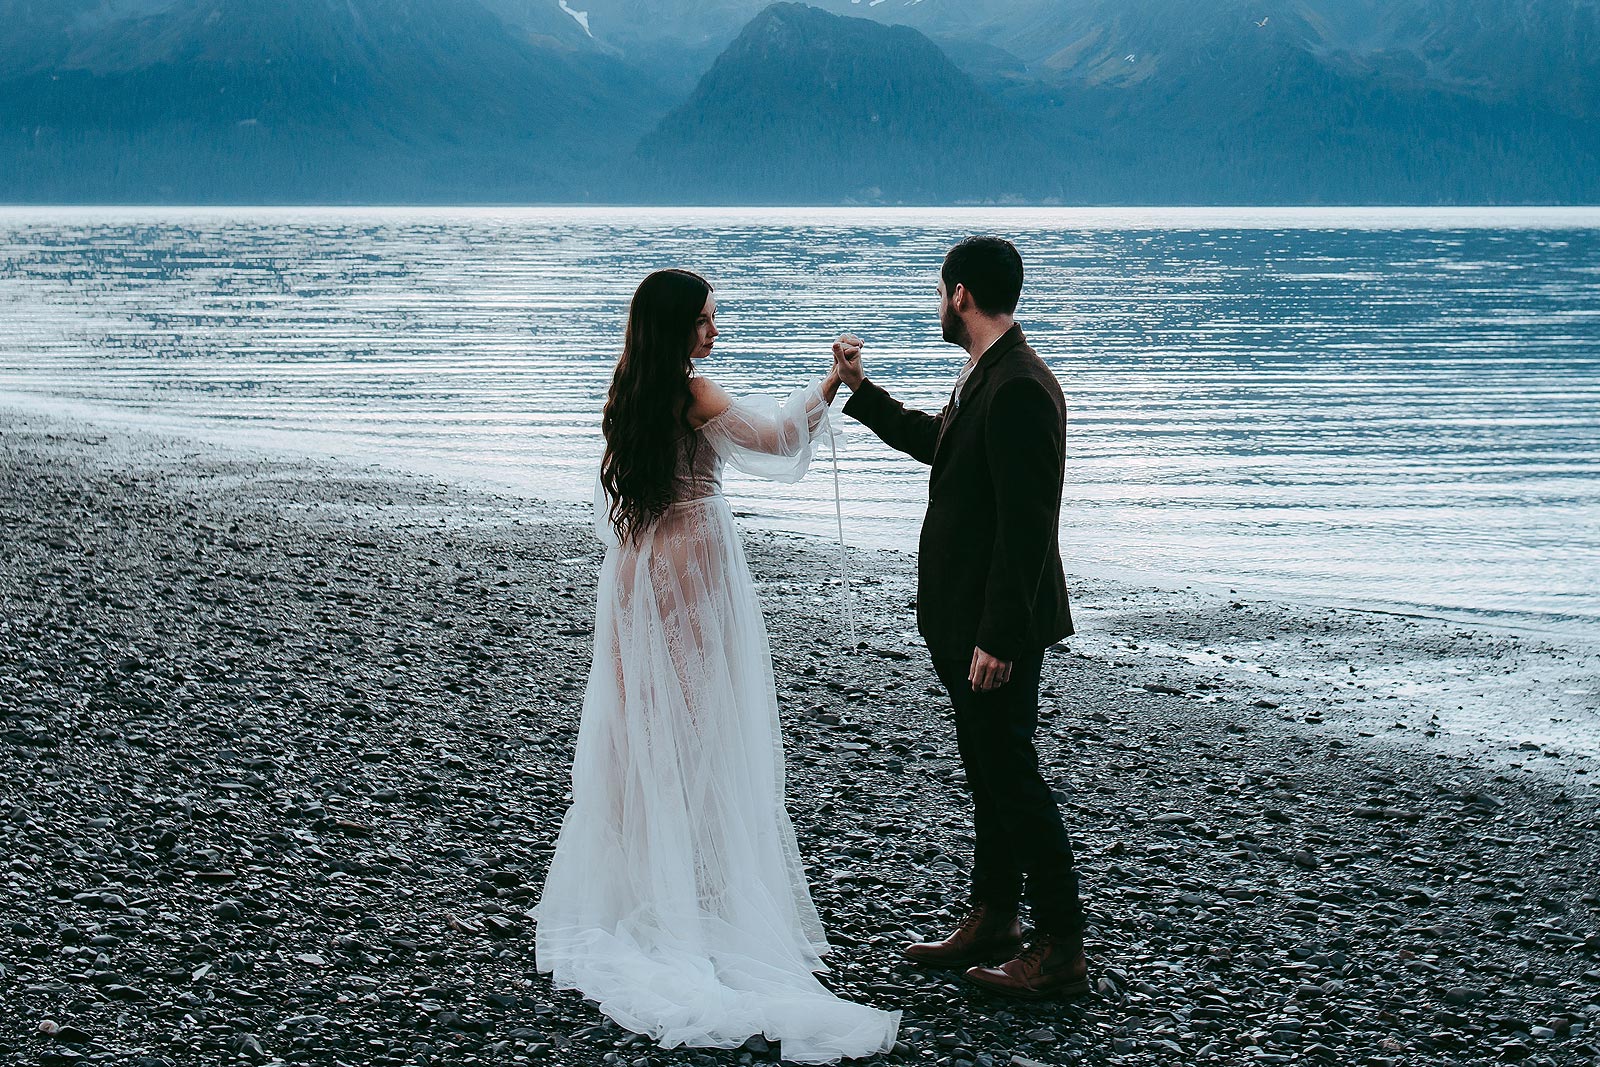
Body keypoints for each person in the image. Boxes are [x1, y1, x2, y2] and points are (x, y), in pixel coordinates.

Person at [534, 269, 900, 1062]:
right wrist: (831, 384)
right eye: (703, 320)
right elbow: (773, 441)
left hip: (635, 569)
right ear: (675, 328)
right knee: (700, 727)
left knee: (646, 730)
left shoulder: (625, 388)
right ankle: (696, 898)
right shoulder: (692, 391)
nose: (713, 332)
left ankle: (649, 887)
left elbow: (622, 495)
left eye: (714, 319)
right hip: (690, 571)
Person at [831, 236, 1088, 999]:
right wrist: (862, 390)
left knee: (1011, 774)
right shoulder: (985, 372)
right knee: (987, 769)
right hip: (964, 618)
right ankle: (995, 916)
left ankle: (1062, 942)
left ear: (962, 295)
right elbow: (937, 444)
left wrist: (1001, 638)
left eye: (940, 291)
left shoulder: (1020, 387)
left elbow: (1029, 523)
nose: (937, 303)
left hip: (992, 627)